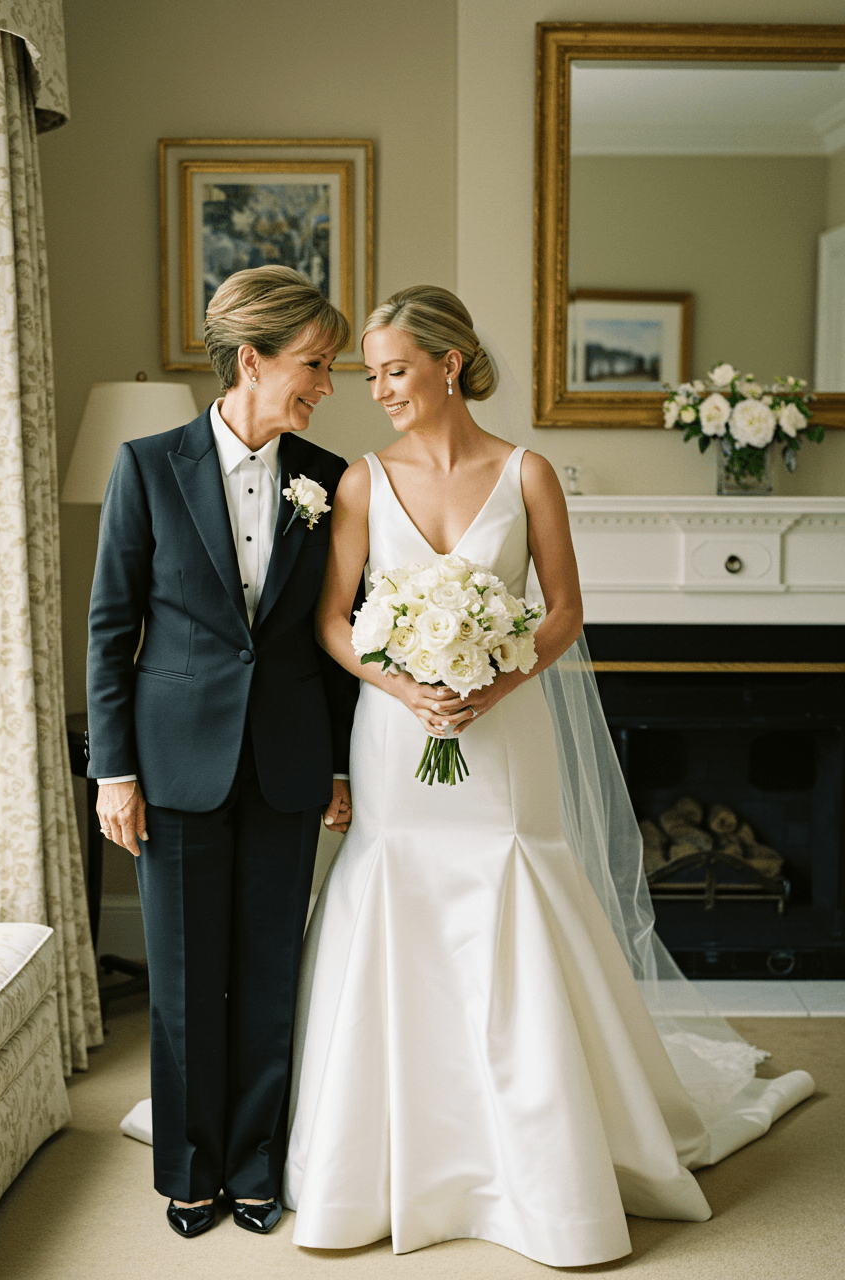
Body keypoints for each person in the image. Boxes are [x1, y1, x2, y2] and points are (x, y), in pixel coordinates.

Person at [281, 286, 814, 1267]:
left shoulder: (524, 472)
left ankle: (540, 1150)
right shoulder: (360, 479)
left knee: (517, 880)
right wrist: (402, 684)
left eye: (392, 369)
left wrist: (494, 679)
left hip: (504, 723)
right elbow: (330, 620)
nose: (378, 388)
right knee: (391, 883)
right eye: (367, 373)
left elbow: (562, 610)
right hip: (397, 735)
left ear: (447, 363)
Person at [87, 265, 360, 1239]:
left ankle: (255, 1163)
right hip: (172, 766)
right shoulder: (146, 465)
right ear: (252, 359)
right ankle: (189, 1170)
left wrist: (335, 762)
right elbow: (110, 629)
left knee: (267, 973)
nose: (328, 384)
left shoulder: (327, 479)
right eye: (315, 365)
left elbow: (335, 635)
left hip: (286, 763)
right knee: (186, 982)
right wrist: (113, 771)